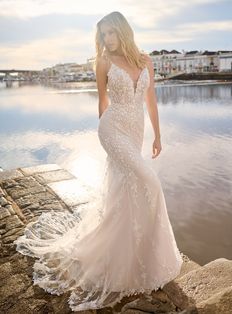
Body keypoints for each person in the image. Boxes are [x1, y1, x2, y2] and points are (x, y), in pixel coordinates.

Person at [13, 11, 183, 312]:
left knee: (126, 189)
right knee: (150, 182)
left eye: (111, 33)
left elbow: (151, 100)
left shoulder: (146, 61)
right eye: (103, 35)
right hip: (113, 128)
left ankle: (132, 256)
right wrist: (104, 134)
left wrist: (157, 136)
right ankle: (135, 255)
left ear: (123, 31)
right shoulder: (103, 61)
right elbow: (102, 101)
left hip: (136, 130)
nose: (107, 40)